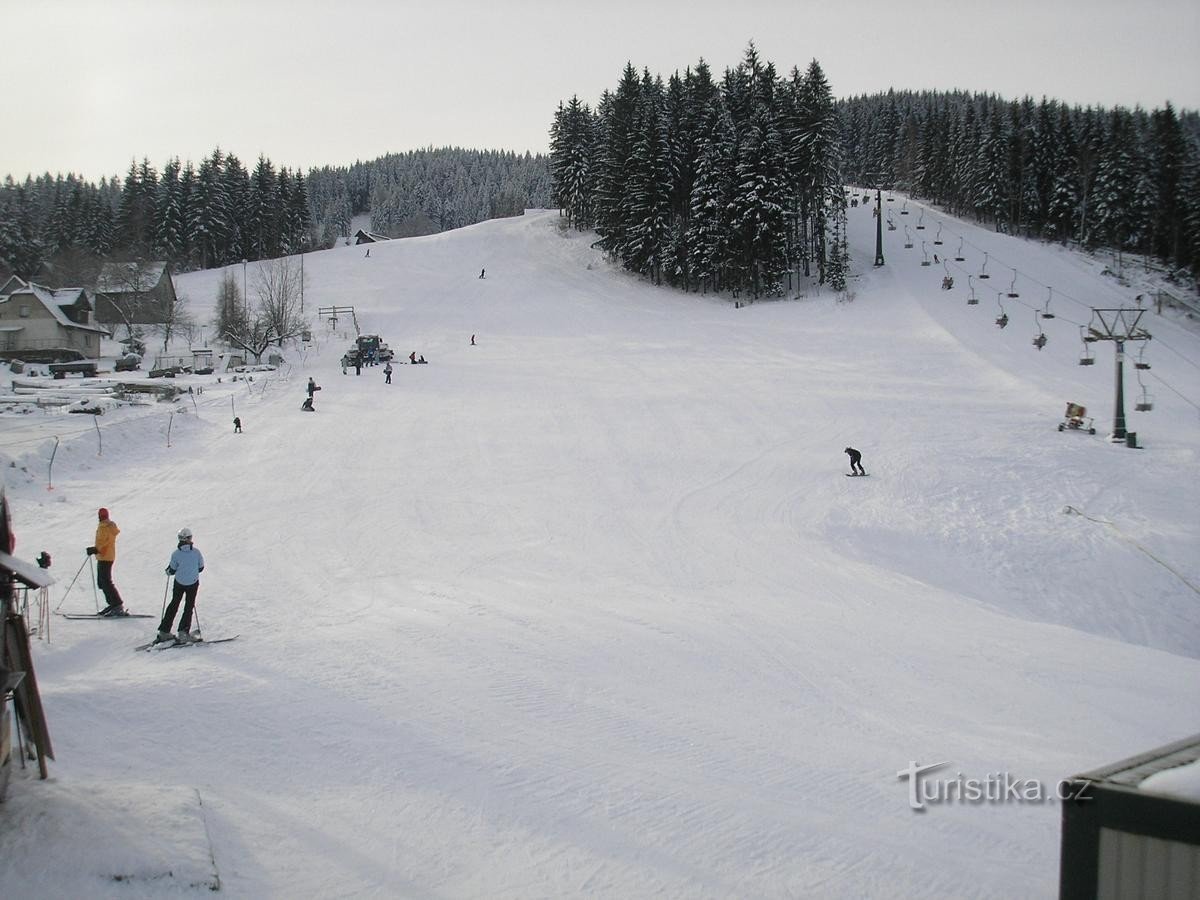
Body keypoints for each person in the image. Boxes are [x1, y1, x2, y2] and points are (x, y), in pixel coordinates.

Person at [157, 527, 205, 643]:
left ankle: (164, 631)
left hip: (179, 583)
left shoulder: (176, 554)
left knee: (174, 604)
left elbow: (172, 570)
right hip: (193, 583)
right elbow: (201, 567)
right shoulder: (196, 552)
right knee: (189, 606)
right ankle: (183, 632)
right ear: (189, 538)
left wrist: (169, 571)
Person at [88, 507, 125, 616]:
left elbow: (105, 542)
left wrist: (96, 549)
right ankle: (113, 604)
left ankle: (117, 604)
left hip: (105, 557)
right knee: (102, 582)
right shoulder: (106, 526)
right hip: (104, 556)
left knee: (106, 582)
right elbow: (103, 542)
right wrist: (96, 549)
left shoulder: (106, 527)